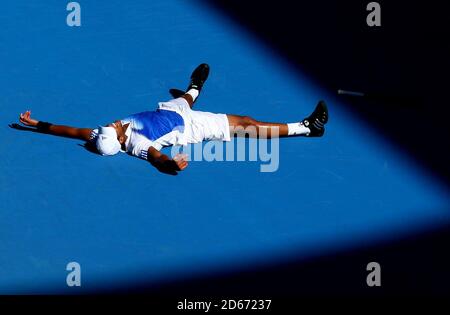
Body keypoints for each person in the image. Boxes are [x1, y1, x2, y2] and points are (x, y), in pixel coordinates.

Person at [17, 64, 329, 175]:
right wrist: (170, 165)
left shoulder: (102, 135)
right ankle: (307, 127)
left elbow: (68, 130)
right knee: (245, 124)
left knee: (186, 97)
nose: (108, 124)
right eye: (110, 129)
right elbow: (156, 158)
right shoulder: (136, 143)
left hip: (168, 112)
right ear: (120, 139)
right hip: (188, 128)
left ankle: (194, 87)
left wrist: (35, 124)